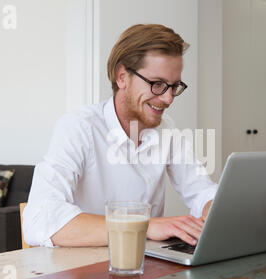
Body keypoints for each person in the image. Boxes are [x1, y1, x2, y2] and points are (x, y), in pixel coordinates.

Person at [23, 24, 217, 248]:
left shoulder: (167, 132)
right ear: (122, 77)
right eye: (158, 84)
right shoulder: (79, 127)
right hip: (80, 270)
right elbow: (39, 218)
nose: (168, 99)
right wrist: (144, 225)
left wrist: (214, 206)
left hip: (145, 266)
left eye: (174, 86)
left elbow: (201, 190)